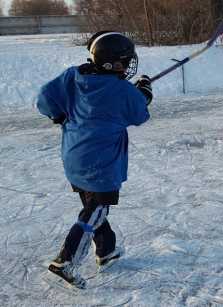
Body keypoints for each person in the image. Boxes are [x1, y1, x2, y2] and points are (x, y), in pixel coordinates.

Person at [37, 31, 153, 289]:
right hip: (101, 164)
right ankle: (66, 260)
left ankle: (106, 250)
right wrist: (144, 91)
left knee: (94, 208)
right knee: (96, 211)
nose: (127, 65)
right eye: (124, 60)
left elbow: (43, 97)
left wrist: (58, 114)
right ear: (111, 62)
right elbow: (139, 114)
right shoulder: (122, 89)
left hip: (75, 157)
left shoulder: (73, 75)